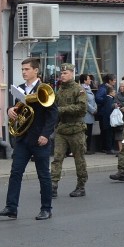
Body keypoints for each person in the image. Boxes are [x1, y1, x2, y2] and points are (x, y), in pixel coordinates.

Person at [0, 57, 58, 221]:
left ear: (36, 70)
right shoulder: (20, 88)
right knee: (15, 173)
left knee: (43, 175)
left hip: (39, 139)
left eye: (27, 69)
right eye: (22, 69)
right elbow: (17, 109)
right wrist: (10, 110)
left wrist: (45, 135)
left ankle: (46, 209)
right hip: (22, 139)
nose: (24, 72)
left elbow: (52, 116)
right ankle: (11, 207)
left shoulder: (45, 89)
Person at [50, 64, 89, 198]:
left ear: (72, 73)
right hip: (62, 129)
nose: (62, 75)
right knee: (57, 158)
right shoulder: (59, 90)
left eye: (65, 73)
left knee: (79, 159)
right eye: (61, 73)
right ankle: (53, 186)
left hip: (76, 129)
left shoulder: (79, 89)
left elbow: (82, 108)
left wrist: (62, 110)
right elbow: (53, 106)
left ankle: (81, 186)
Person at [79, 73, 97, 155]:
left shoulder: (89, 88)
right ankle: (85, 148)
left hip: (91, 114)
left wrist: (95, 108)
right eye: (88, 79)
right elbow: (84, 101)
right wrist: (92, 109)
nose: (90, 80)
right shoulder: (82, 89)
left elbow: (93, 100)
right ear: (84, 80)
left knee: (89, 132)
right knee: (85, 132)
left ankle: (89, 148)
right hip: (86, 114)